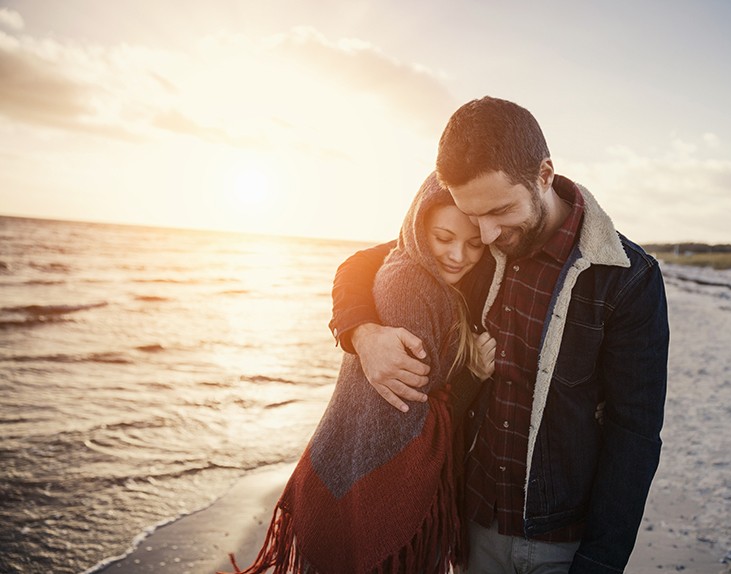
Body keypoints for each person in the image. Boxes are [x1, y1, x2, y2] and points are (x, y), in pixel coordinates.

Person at [328, 96, 669, 573]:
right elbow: (364, 264)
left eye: (501, 211)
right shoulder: (477, 246)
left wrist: (601, 561)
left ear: (544, 175)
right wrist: (363, 334)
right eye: (474, 216)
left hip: (562, 542)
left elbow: (634, 432)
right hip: (473, 525)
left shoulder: (626, 277)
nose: (485, 234)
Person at [230, 173, 496, 574]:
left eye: (474, 244)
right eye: (443, 238)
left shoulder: (455, 275)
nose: (458, 255)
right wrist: (470, 374)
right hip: (382, 506)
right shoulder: (409, 284)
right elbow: (414, 415)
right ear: (419, 227)